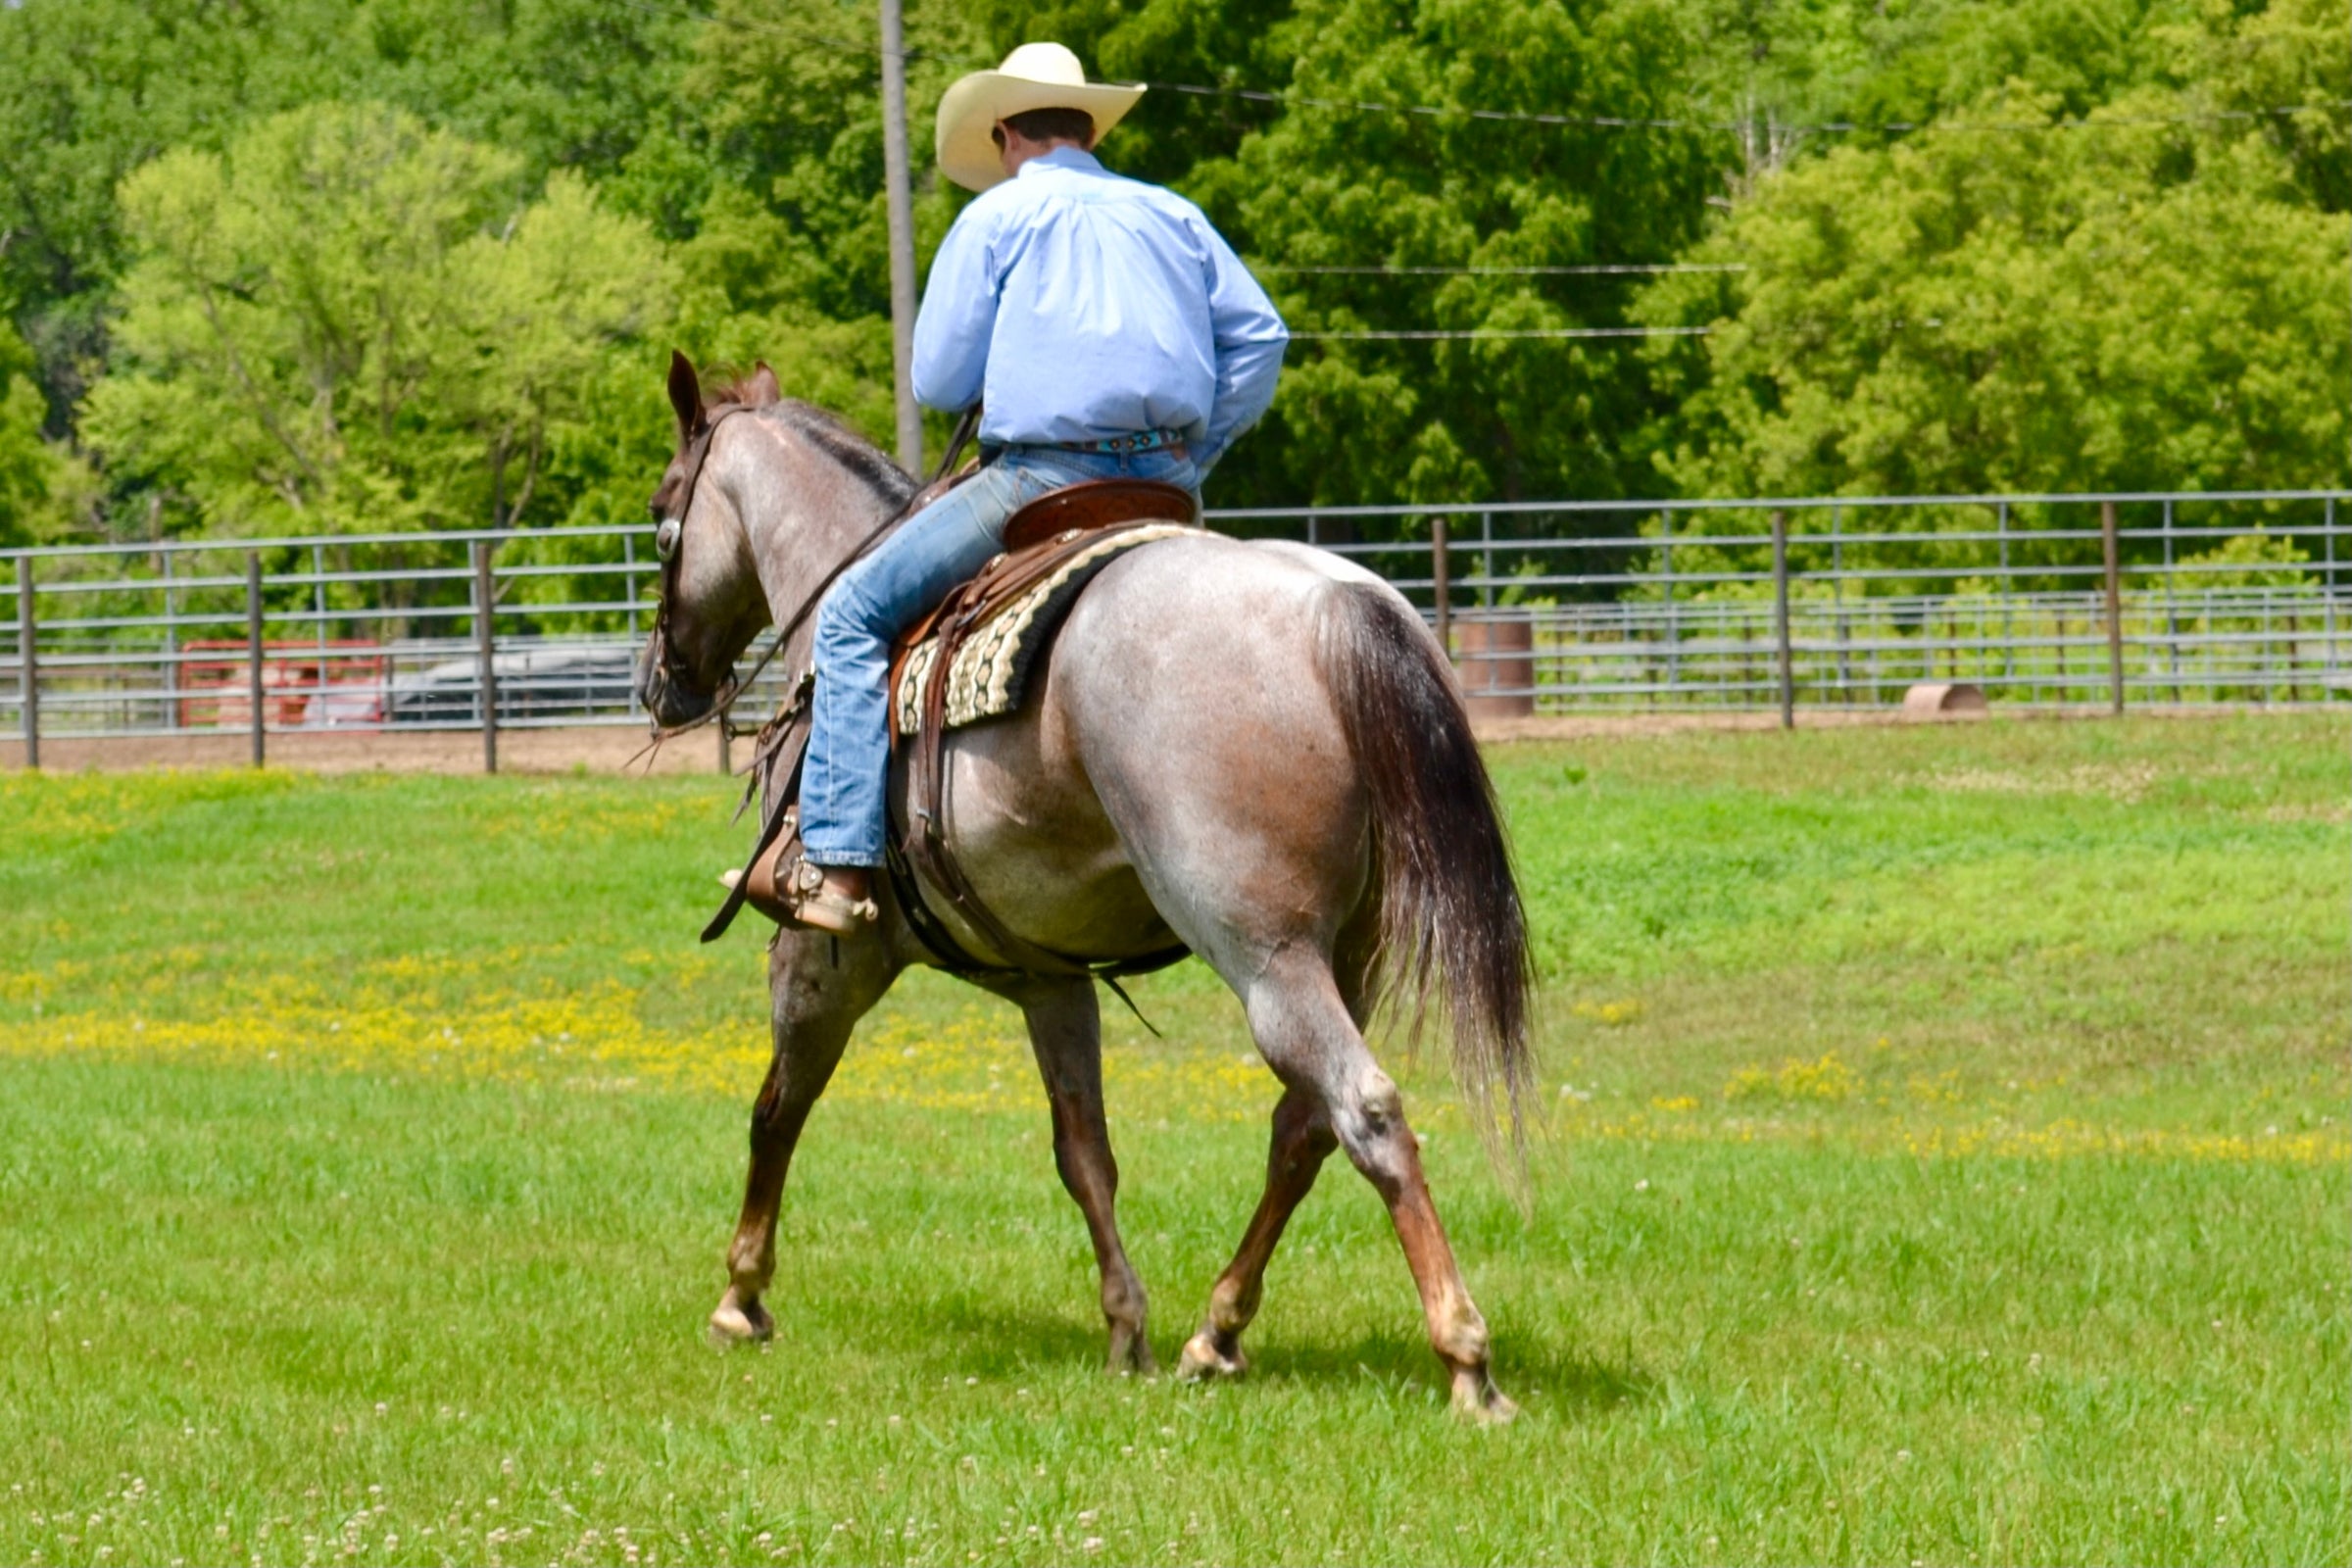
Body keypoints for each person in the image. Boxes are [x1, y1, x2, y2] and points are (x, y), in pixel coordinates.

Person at [779, 41, 1289, 933]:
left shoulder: (998, 217)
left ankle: (841, 866)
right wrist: (1196, 452)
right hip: (1166, 488)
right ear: (1087, 129)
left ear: (1007, 134)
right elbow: (1262, 339)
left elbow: (937, 382)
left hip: (1039, 482)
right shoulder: (1173, 214)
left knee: (852, 615)